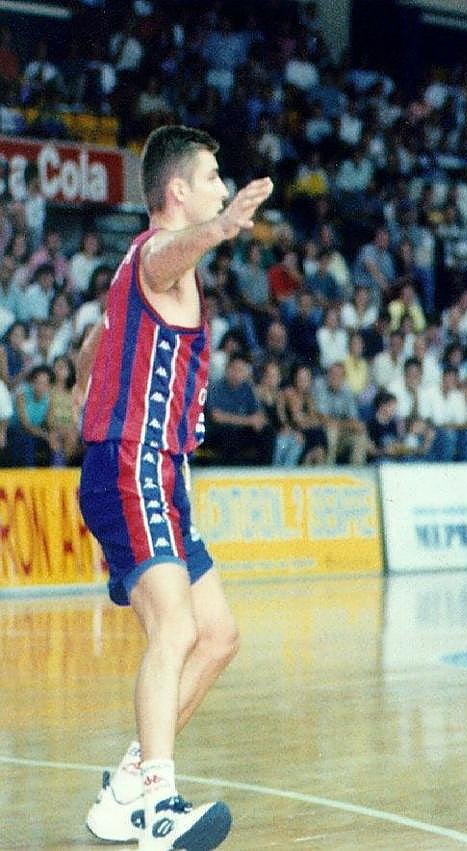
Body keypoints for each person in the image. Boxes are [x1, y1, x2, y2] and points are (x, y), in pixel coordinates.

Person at [76, 125, 271, 850]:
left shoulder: (144, 271)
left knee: (218, 636)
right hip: (132, 464)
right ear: (179, 190)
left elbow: (101, 331)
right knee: (176, 629)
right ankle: (159, 805)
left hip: (160, 475)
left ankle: (127, 783)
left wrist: (80, 381)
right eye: (214, 176)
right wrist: (219, 228)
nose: (224, 185)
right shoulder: (162, 253)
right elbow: (166, 256)